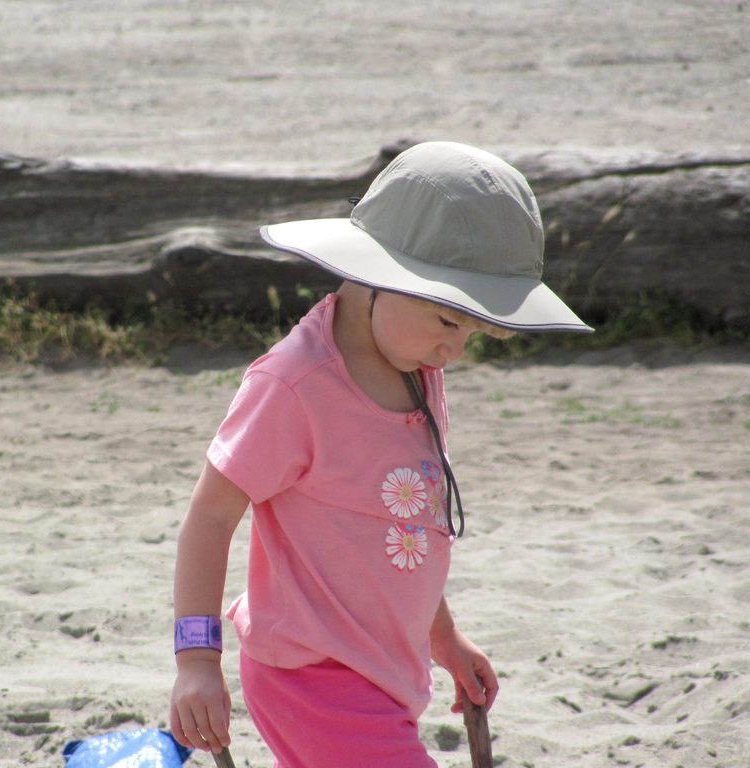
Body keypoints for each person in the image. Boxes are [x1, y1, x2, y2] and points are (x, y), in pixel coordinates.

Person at [168, 141, 592, 767]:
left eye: (473, 331)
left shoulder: (415, 368)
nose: (456, 350)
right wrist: (197, 661)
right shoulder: (294, 387)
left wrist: (443, 638)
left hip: (385, 672)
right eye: (449, 322)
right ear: (380, 276)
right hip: (314, 677)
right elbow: (209, 516)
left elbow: (400, 528)